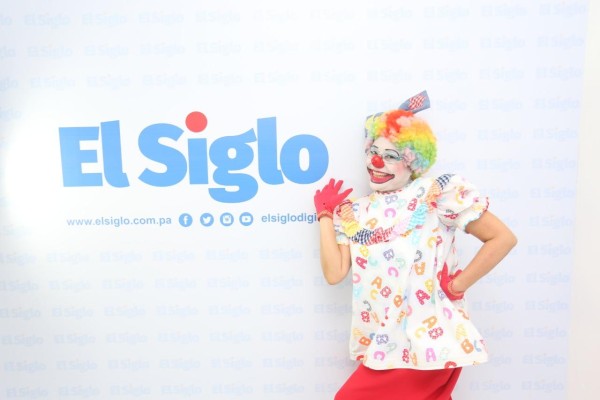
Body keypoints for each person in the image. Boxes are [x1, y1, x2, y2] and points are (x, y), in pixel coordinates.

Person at [313, 91, 517, 400]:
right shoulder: (356, 212)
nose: (376, 161)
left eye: (391, 156)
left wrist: (457, 285)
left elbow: (502, 238)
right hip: (385, 344)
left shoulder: (436, 194)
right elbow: (334, 273)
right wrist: (326, 217)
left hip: (429, 340)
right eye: (373, 152)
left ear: (413, 162)